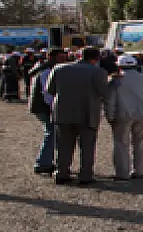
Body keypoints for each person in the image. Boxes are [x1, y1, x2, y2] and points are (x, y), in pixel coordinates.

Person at [46, 47, 109, 185]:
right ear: (96, 58)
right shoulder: (99, 72)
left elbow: (50, 90)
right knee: (87, 146)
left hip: (62, 112)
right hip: (87, 113)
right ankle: (85, 175)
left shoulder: (59, 69)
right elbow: (103, 92)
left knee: (63, 145)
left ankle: (61, 173)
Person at [105, 55, 143, 180]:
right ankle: (139, 171)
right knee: (140, 143)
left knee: (121, 144)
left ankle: (122, 173)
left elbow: (110, 100)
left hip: (122, 114)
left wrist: (109, 116)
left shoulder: (114, 81)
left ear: (118, 66)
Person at [28, 48, 66, 175]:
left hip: (40, 106)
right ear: (52, 57)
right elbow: (47, 92)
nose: (64, 60)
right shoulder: (47, 71)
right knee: (51, 133)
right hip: (44, 107)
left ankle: (46, 161)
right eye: (61, 57)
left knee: (51, 133)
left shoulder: (43, 68)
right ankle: (43, 163)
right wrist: (53, 107)